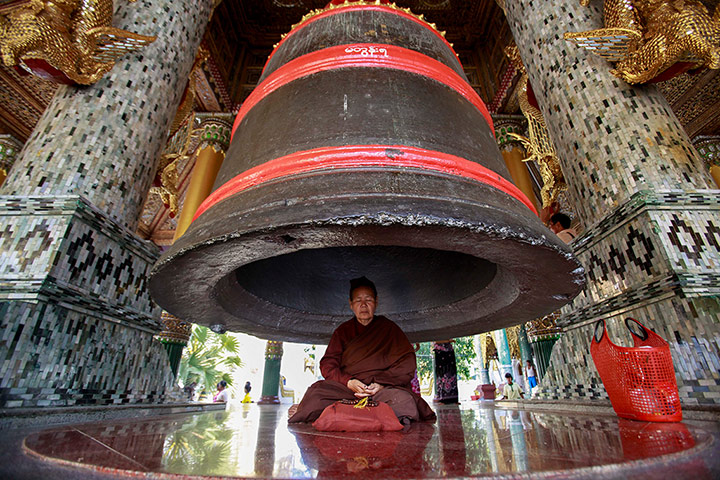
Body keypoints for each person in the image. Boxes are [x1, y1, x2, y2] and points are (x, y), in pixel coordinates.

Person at [288, 276, 436, 425]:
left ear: (376, 302)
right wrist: (348, 382)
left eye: (369, 300)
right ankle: (372, 415)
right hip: (348, 391)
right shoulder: (343, 331)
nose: (363, 305)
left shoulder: (389, 329)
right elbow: (328, 364)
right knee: (316, 394)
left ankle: (345, 414)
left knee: (403, 401)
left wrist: (381, 384)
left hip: (381, 391)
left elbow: (407, 362)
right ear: (351, 304)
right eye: (358, 300)